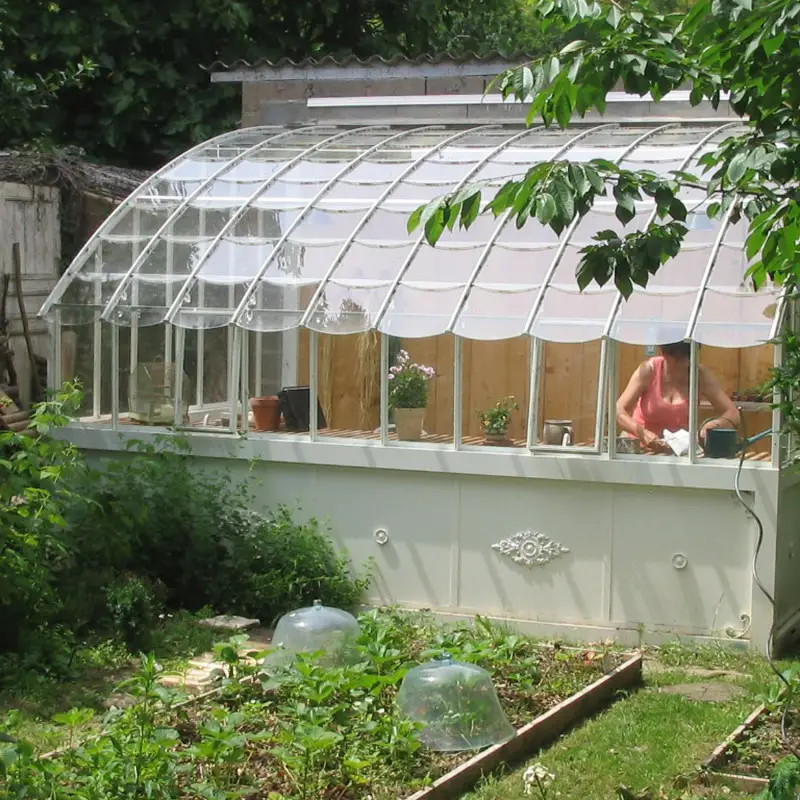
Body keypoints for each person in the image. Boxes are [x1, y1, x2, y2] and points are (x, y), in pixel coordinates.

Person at [616, 341, 741, 454]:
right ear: (663, 352)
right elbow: (618, 411)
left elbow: (733, 414)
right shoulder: (648, 370)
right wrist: (643, 434)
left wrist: (712, 426)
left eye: (687, 357)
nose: (683, 362)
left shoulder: (700, 375)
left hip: (678, 451)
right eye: (676, 357)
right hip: (639, 449)